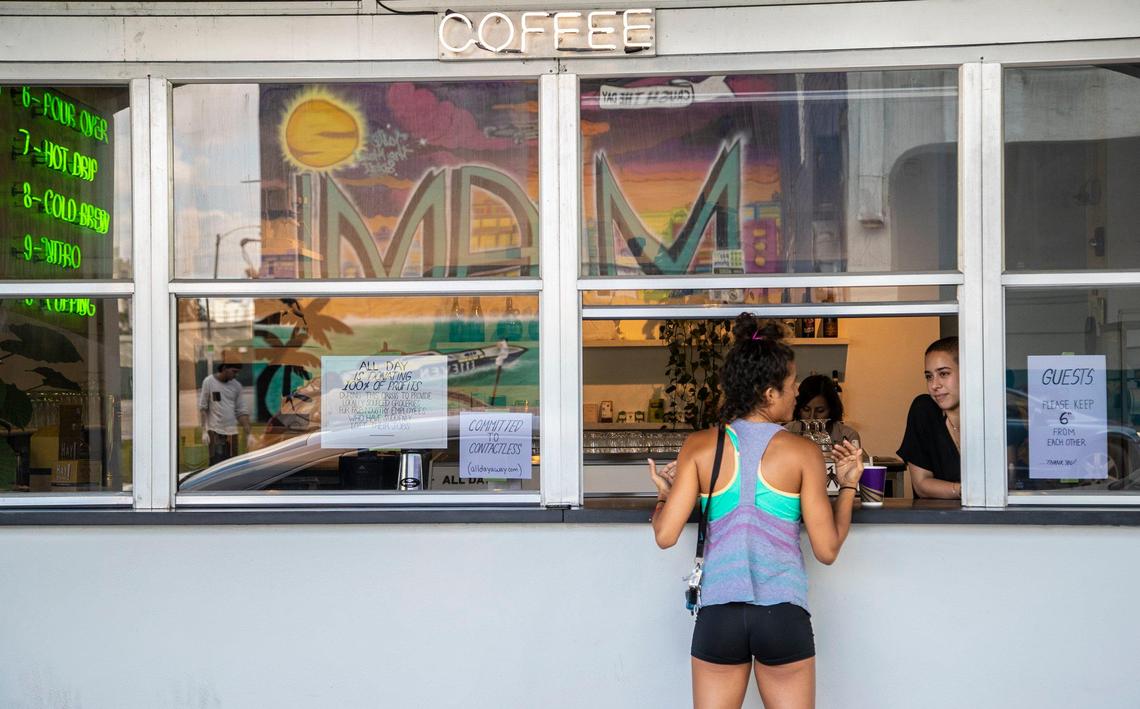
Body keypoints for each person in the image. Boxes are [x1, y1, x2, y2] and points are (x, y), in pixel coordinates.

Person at [647, 316, 864, 709]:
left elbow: (664, 536)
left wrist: (663, 496)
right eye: (791, 383)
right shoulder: (803, 453)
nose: (797, 392)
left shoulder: (699, 446)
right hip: (781, 612)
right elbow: (827, 549)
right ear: (768, 393)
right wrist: (848, 485)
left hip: (718, 614)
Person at [897, 336, 962, 499]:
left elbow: (1007, 481)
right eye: (929, 376)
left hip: (992, 521)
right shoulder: (924, 411)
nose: (934, 385)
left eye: (944, 373)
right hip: (934, 522)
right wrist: (966, 491)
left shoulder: (991, 414)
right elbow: (922, 485)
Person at [198, 362, 253, 465]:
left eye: (238, 372)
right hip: (215, 431)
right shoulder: (209, 382)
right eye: (234, 371)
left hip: (232, 433)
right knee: (216, 465)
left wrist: (249, 433)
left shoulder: (236, 386)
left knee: (231, 466)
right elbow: (203, 407)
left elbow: (241, 411)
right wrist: (204, 431)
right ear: (224, 368)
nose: (236, 375)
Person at [785, 374, 861, 446]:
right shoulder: (786, 432)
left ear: (831, 409)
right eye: (806, 409)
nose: (812, 417)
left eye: (820, 411)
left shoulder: (848, 436)